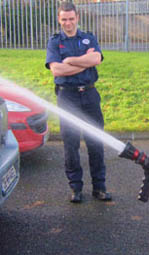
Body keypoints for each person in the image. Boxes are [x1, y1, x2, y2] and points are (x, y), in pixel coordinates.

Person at [45, 2, 112, 203]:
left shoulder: (88, 37)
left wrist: (70, 61)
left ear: (77, 18)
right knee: (71, 144)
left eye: (71, 18)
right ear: (59, 19)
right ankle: (76, 188)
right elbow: (56, 70)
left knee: (95, 142)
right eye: (64, 19)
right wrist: (84, 61)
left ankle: (99, 187)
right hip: (68, 97)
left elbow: (97, 59)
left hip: (90, 95)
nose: (68, 22)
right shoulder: (54, 42)